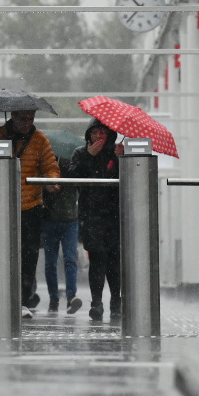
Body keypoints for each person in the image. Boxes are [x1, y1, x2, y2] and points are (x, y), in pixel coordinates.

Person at [0, 110, 60, 310]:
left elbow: (51, 166)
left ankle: (23, 301)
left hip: (31, 207)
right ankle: (3, 300)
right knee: (2, 255)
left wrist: (52, 180)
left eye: (31, 119)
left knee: (28, 257)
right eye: (23, 119)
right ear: (13, 116)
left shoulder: (40, 140)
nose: (28, 123)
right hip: (2, 206)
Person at [68, 120, 122, 322]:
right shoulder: (80, 154)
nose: (100, 136)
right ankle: (96, 302)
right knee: (97, 259)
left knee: (115, 260)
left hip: (115, 214)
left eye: (104, 132)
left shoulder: (116, 153)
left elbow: (128, 181)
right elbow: (73, 177)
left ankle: (116, 301)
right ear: (88, 134)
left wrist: (119, 160)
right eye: (96, 132)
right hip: (91, 214)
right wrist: (89, 158)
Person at [41, 175, 82, 315]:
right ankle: (54, 298)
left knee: (69, 259)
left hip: (69, 218)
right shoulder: (49, 162)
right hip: (52, 218)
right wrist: (46, 186)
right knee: (52, 263)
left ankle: (70, 296)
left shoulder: (73, 164)